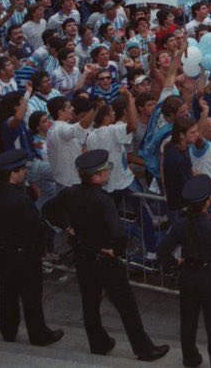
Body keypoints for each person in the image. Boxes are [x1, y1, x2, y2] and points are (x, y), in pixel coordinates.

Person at [43, 149, 169, 361]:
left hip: (83, 258)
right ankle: (144, 349)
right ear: (96, 177)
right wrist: (115, 249)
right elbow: (118, 233)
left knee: (90, 305)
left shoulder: (70, 193)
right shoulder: (103, 200)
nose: (108, 173)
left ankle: (98, 343)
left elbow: (48, 210)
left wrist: (66, 226)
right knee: (127, 306)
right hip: (106, 261)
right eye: (105, 170)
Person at [0, 148, 63, 346]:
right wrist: (39, 248)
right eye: (22, 169)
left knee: (8, 294)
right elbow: (35, 228)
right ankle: (38, 334)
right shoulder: (21, 200)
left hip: (2, 251)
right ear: (13, 174)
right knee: (31, 297)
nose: (25, 172)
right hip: (24, 255)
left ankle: (8, 330)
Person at [156, 174, 211, 368]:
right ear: (206, 204)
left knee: (188, 321)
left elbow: (162, 251)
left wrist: (176, 265)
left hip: (189, 276)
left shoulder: (180, 226)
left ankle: (190, 358)